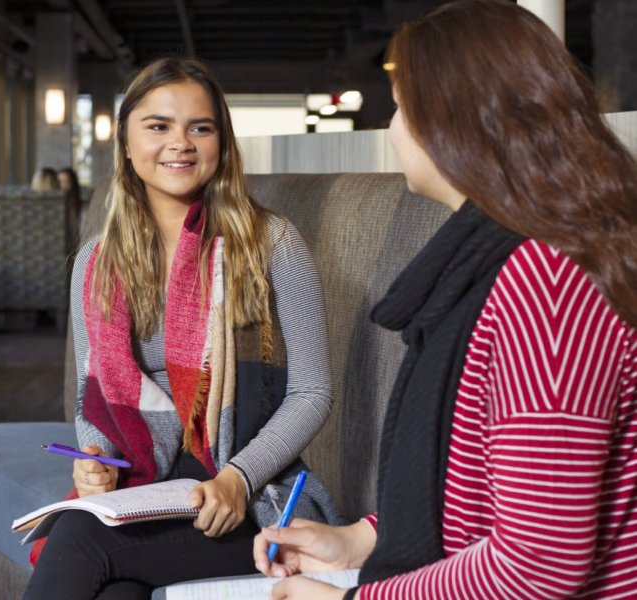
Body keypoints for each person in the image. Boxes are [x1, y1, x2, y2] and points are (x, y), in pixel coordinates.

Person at [252, 1, 637, 599]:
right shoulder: (510, 260)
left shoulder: (548, 283)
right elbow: (489, 496)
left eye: (401, 109)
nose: (393, 130)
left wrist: (356, 599)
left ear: (449, 122)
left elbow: (540, 564)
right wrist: (360, 539)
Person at [22, 57, 345, 600]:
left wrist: (236, 478)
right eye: (158, 126)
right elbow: (91, 395)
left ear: (222, 142)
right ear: (126, 143)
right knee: (115, 590)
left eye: (201, 127)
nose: (182, 143)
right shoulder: (95, 263)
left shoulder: (272, 245)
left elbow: (312, 393)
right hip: (144, 491)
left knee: (78, 538)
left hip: (249, 503)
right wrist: (95, 461)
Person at [57, 166, 82, 249]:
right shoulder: (53, 207)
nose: (61, 186)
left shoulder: (81, 209)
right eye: (59, 182)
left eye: (64, 182)